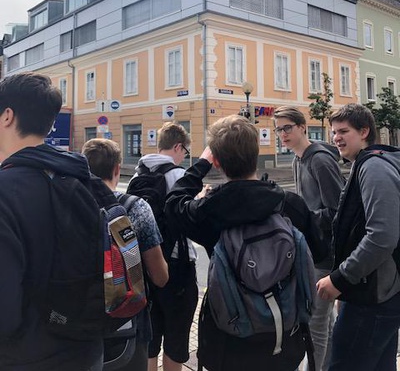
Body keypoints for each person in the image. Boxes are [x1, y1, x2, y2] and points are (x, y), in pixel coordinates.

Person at [165, 115, 315, 371]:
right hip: (284, 337)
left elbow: (173, 202)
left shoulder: (208, 211)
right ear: (256, 153)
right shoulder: (288, 204)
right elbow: (319, 251)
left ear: (218, 162)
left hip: (229, 341)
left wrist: (202, 163)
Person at [0, 72, 103, 370]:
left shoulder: (5, 191)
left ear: (7, 116)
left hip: (25, 358)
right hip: (88, 350)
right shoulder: (86, 180)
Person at [317, 103, 400, 371]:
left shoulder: (373, 167)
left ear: (364, 132)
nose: (336, 138)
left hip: (372, 297)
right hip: (379, 292)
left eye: (343, 131)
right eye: (333, 132)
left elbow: (382, 235)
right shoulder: (368, 163)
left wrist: (340, 279)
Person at [81, 138, 169, 371]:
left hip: (77, 324)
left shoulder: (69, 203)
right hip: (127, 328)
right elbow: (160, 277)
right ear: (117, 169)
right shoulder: (135, 207)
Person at [273, 106, 344, 371]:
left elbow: (337, 211)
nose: (282, 134)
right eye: (278, 129)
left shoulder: (319, 161)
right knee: (324, 321)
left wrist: (303, 217)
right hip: (313, 249)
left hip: (326, 252)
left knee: (315, 323)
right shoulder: (298, 159)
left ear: (303, 127)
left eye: (287, 127)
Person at [135, 122, 198, 371]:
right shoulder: (180, 176)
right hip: (177, 264)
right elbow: (191, 220)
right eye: (185, 151)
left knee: (150, 339)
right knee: (176, 341)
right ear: (178, 147)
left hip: (147, 264)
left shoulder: (139, 174)